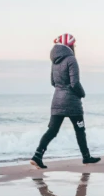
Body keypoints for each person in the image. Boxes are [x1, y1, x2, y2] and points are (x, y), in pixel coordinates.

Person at [30, 33, 100, 169]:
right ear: (70, 45)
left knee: (52, 131)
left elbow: (53, 82)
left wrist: (61, 89)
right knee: (80, 130)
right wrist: (82, 94)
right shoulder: (71, 60)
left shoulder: (54, 61)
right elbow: (75, 83)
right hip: (72, 103)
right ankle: (86, 157)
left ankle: (37, 156)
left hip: (57, 101)